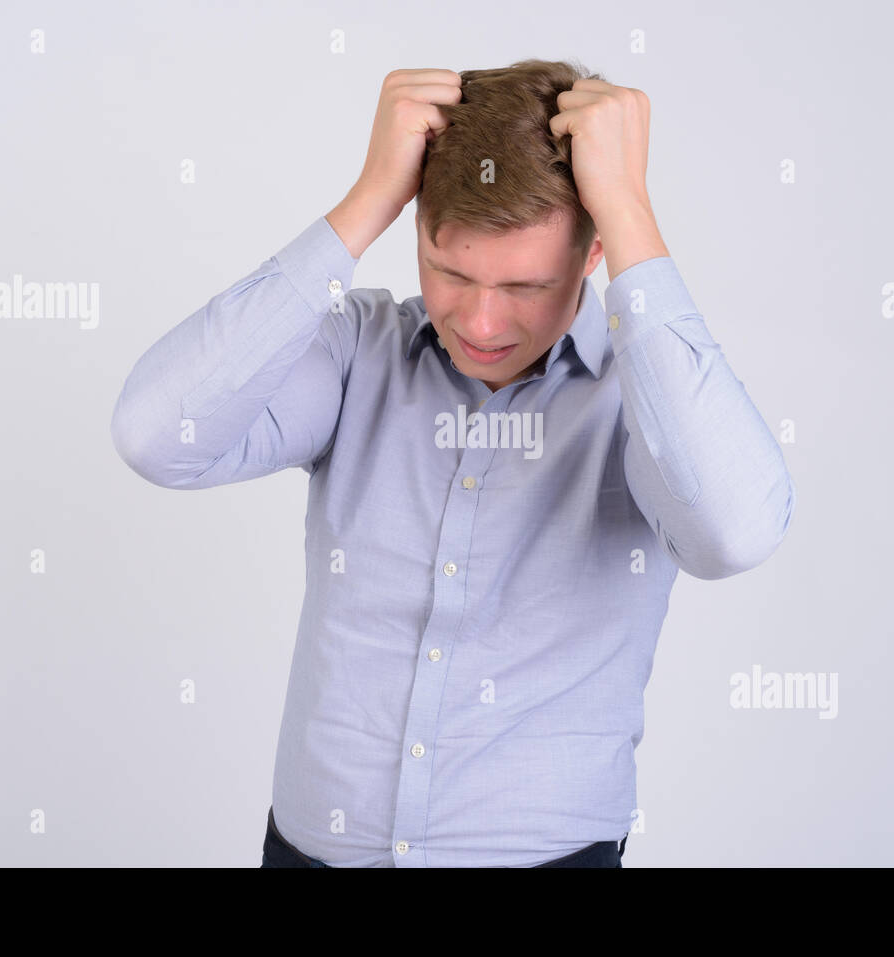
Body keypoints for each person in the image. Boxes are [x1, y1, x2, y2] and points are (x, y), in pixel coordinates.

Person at [110, 58, 795, 867]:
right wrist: (367, 201)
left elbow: (736, 532)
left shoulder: (645, 395)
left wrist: (631, 210)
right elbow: (158, 435)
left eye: (525, 284)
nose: (480, 319)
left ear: (592, 251)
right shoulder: (357, 348)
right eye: (450, 270)